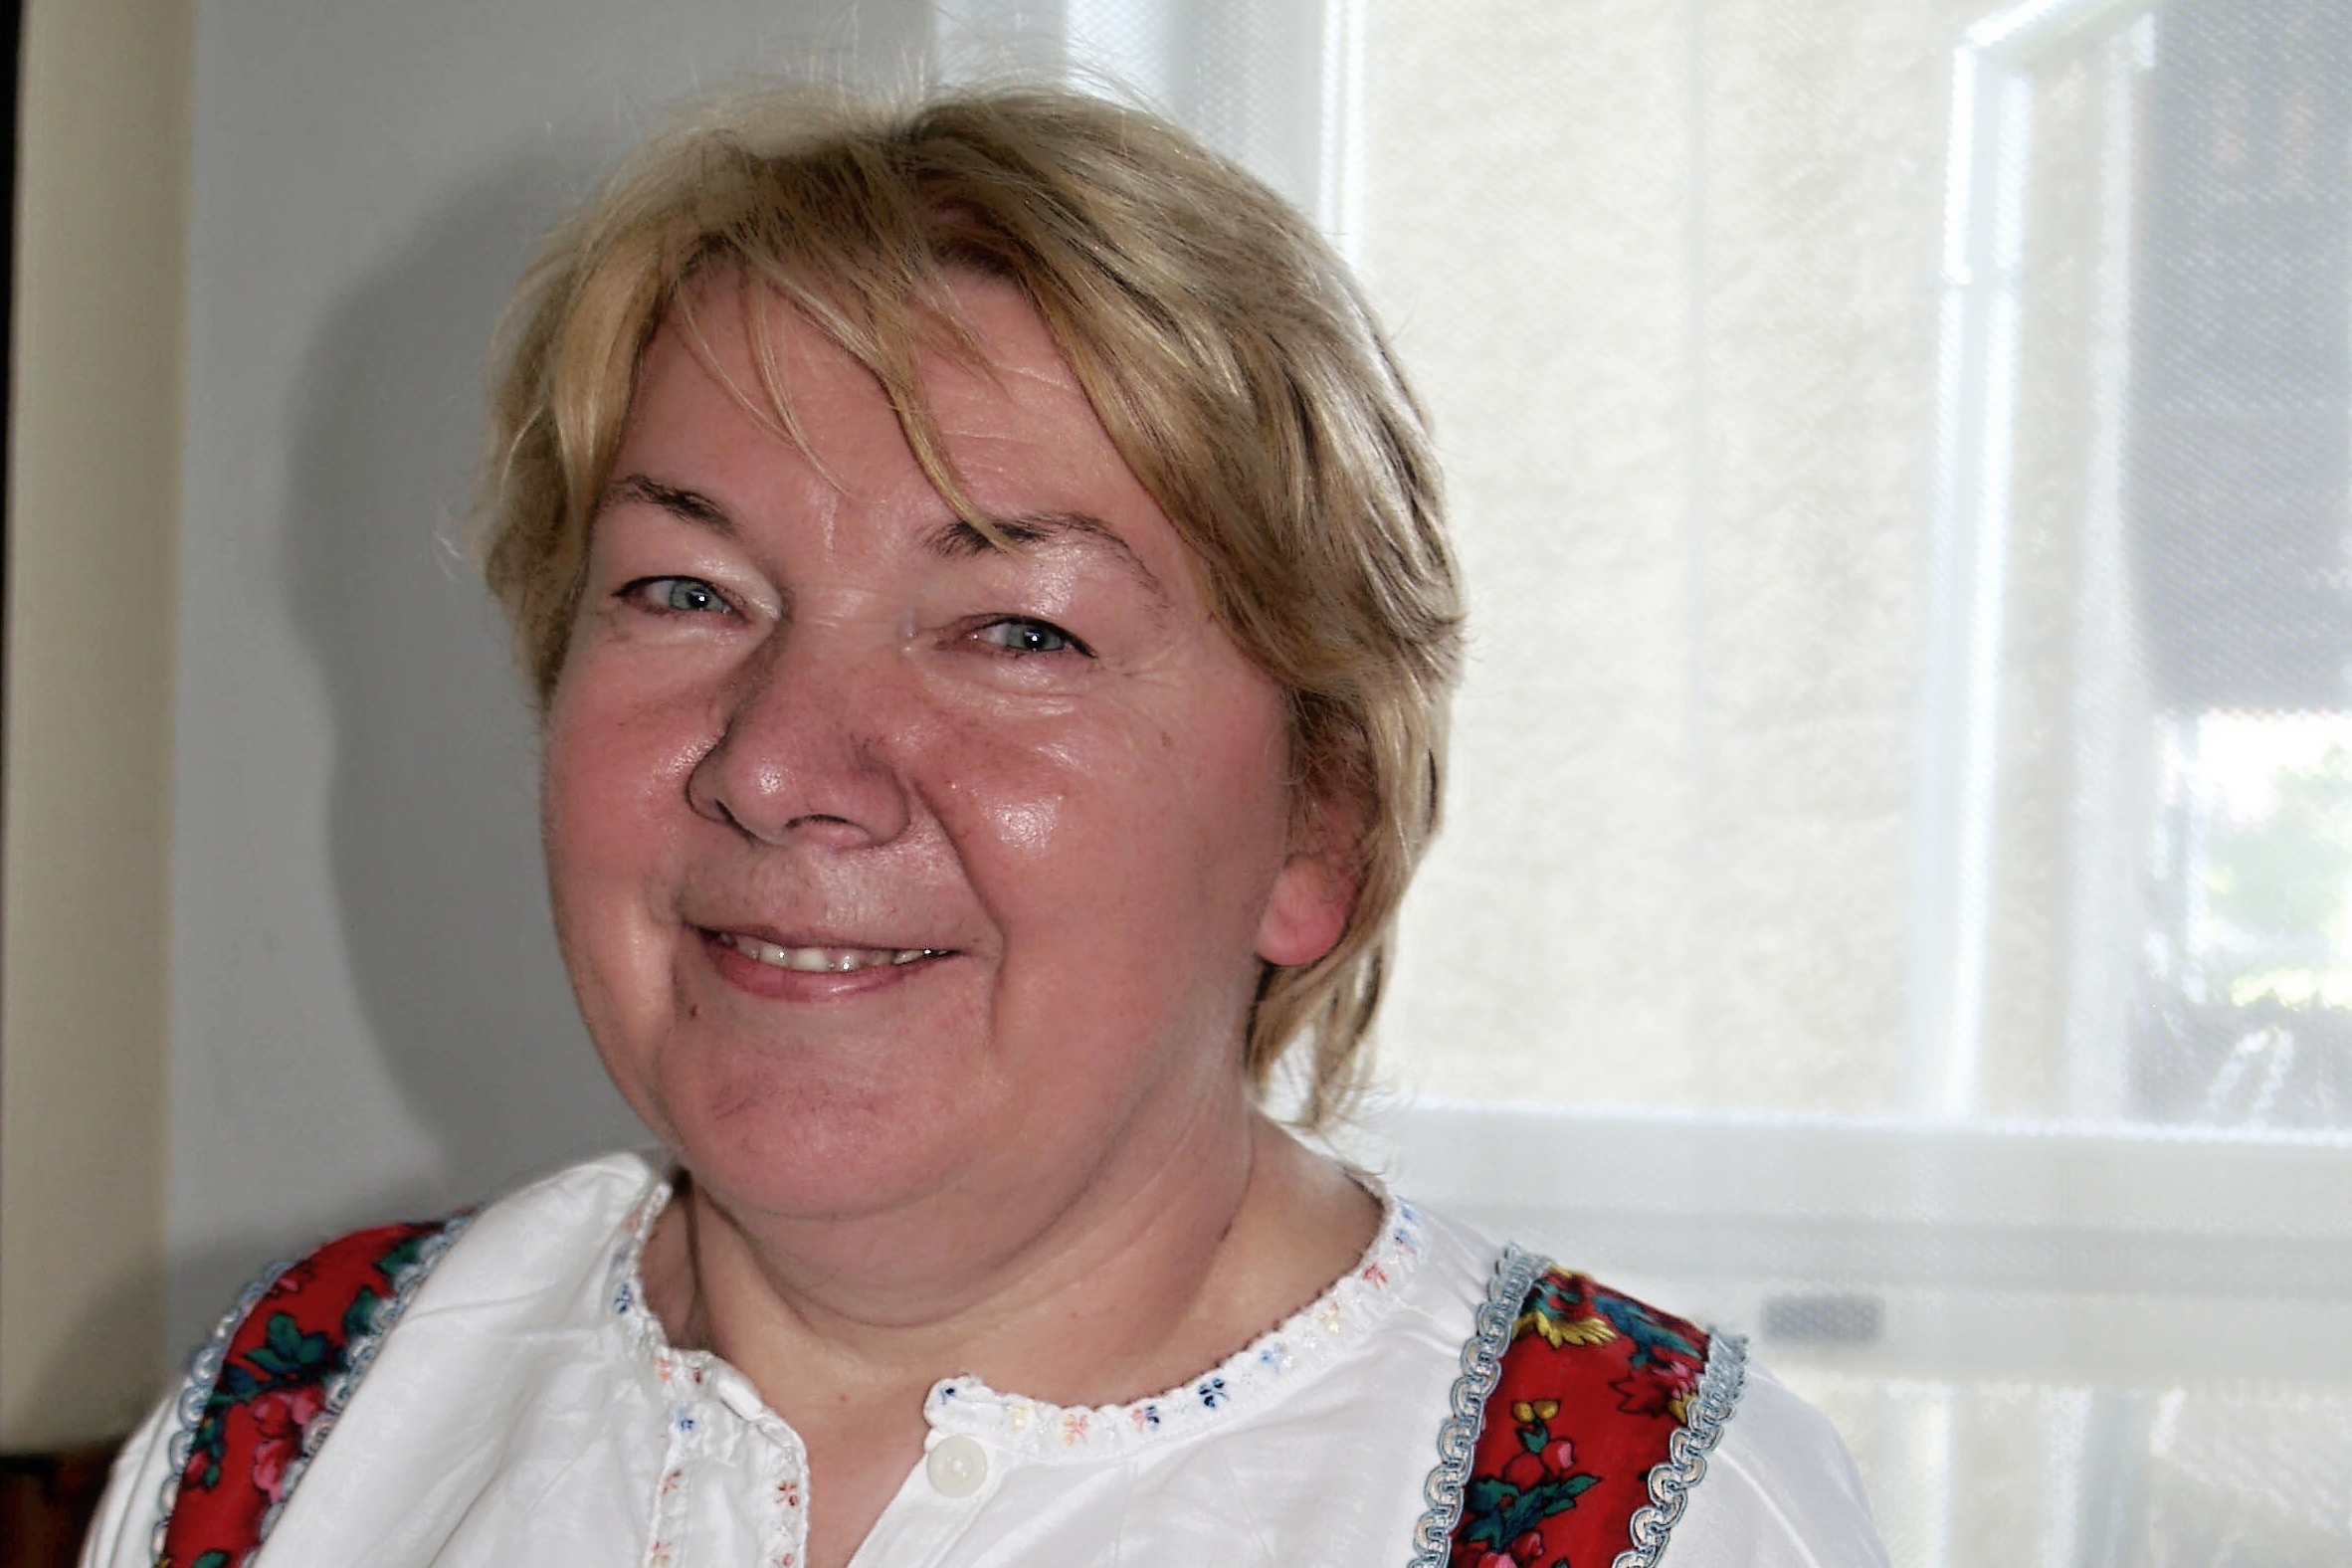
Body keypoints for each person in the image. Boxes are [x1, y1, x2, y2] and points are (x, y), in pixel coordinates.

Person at [82, 85, 1889, 1568]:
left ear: (1318, 825)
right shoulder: (292, 1424)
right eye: (687, 592)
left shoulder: (1661, 1521)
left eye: (1017, 631)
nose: (779, 762)